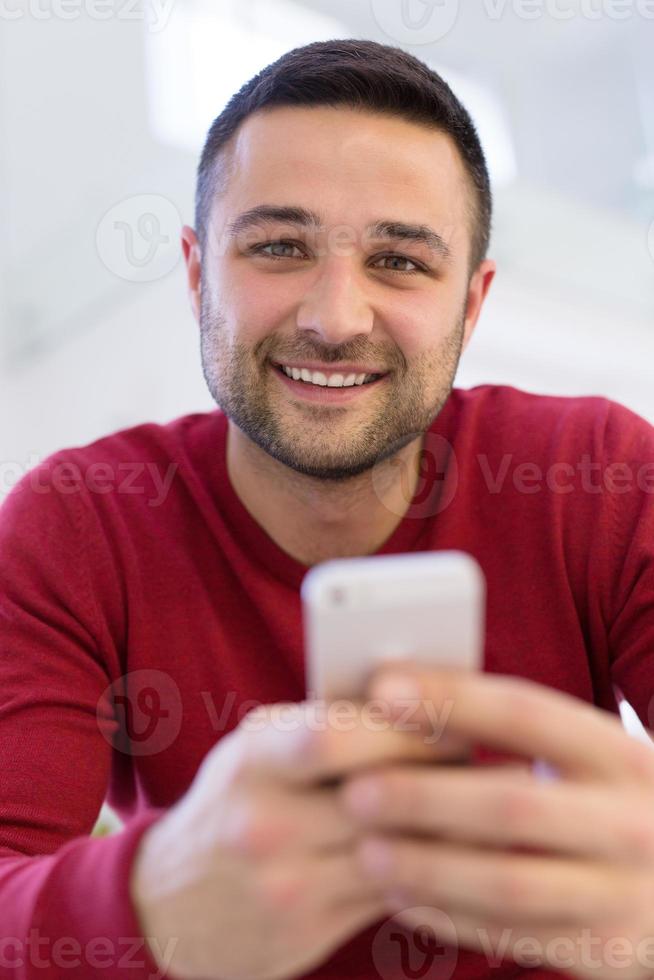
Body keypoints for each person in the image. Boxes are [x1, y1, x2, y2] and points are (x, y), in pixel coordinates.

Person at [2, 37, 654, 980]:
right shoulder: (76, 523)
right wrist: (154, 903)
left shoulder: (602, 477)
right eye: (278, 246)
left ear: (472, 307)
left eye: (398, 261)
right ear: (196, 275)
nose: (336, 317)